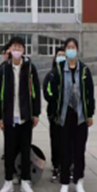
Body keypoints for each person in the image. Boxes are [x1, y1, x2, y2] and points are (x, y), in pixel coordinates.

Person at [46, 37, 95, 192]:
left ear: (77, 50)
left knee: (79, 151)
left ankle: (79, 181)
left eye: (73, 47)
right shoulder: (59, 70)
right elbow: (51, 91)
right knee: (65, 150)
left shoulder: (85, 70)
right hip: (64, 116)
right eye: (68, 47)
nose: (71, 50)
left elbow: (90, 94)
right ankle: (65, 182)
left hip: (80, 116)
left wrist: (90, 114)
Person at [0, 36, 41, 192]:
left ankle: (25, 181)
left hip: (25, 116)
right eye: (14, 47)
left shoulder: (30, 68)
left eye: (19, 47)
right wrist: (0, 116)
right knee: (9, 150)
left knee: (25, 149)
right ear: (10, 49)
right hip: (9, 116)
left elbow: (35, 91)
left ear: (23, 50)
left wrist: (36, 113)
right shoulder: (3, 69)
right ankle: (8, 181)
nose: (17, 50)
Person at [43, 47, 66, 183]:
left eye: (64, 54)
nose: (61, 57)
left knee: (67, 141)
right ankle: (56, 165)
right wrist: (58, 98)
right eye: (59, 55)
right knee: (55, 140)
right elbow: (47, 93)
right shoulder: (51, 75)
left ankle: (67, 165)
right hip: (54, 114)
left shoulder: (71, 73)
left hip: (68, 114)